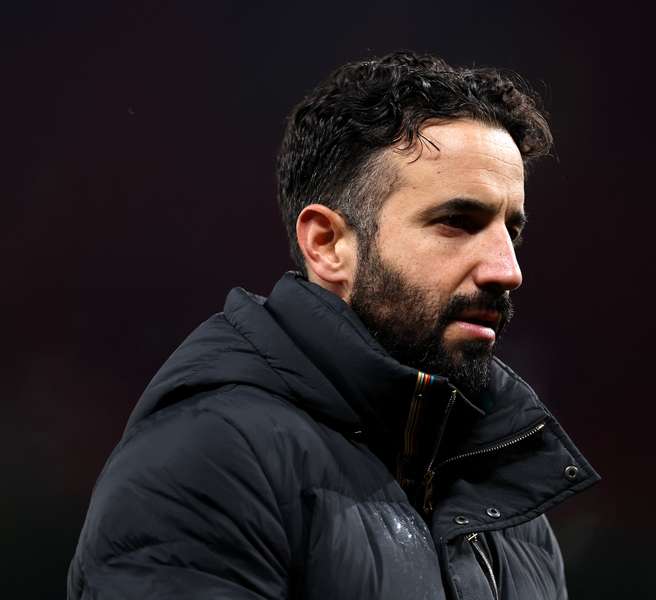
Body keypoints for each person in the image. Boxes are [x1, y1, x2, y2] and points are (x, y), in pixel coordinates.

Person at [68, 51, 599, 600]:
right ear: (327, 244)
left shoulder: (508, 508)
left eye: (509, 231)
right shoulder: (208, 460)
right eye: (457, 223)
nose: (506, 271)